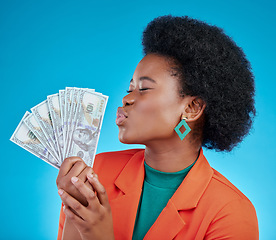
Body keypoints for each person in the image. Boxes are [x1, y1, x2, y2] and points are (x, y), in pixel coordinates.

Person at [56, 15, 259, 240]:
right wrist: (74, 207)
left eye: (143, 89)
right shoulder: (96, 172)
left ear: (191, 108)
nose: (126, 99)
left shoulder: (230, 212)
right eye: (129, 88)